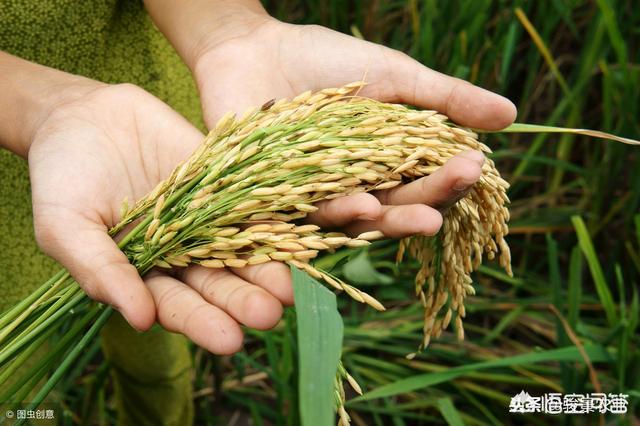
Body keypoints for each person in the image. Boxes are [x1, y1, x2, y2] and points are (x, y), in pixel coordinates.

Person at [0, 1, 516, 424]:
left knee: (153, 337)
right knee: (16, 388)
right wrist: (41, 109)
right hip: (84, 159)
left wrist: (228, 28)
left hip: (170, 150)